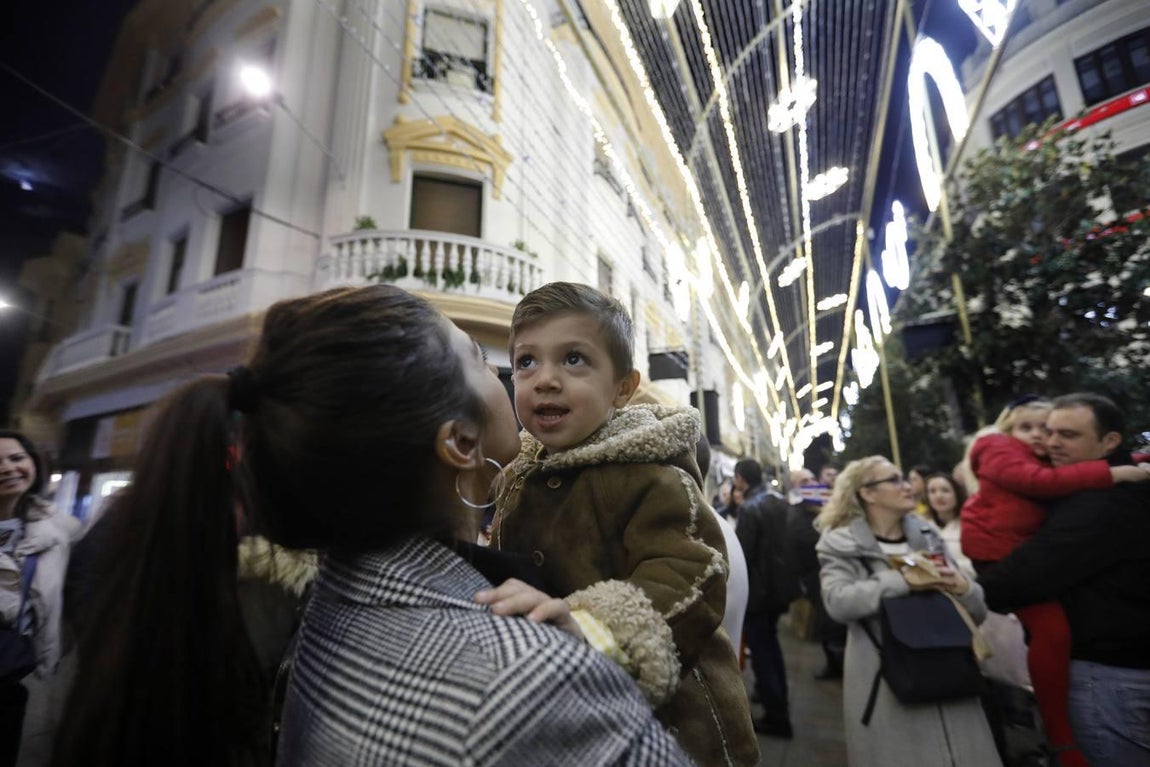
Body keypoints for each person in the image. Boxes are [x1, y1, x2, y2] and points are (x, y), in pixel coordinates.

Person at [53, 285, 692, 767]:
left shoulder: (322, 612)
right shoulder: (531, 679)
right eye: (485, 360)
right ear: (461, 444)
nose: (521, 381)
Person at [491, 282, 758, 766]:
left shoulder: (651, 474)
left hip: (675, 729)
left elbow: (691, 574)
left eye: (573, 359)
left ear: (623, 388)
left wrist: (592, 627)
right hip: (577, 720)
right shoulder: (518, 478)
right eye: (526, 361)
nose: (544, 379)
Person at [960, 394, 1150, 767]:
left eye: (1068, 434)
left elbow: (1032, 571)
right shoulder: (1105, 487)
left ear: (1109, 441)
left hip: (1108, 676)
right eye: (1046, 432)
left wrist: (972, 591)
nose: (1050, 442)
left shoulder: (1103, 501)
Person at [816, 456, 1002, 767]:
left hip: (952, 675)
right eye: (894, 480)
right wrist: (901, 580)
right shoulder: (839, 544)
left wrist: (963, 588)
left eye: (904, 478)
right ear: (867, 493)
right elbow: (838, 602)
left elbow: (977, 613)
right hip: (887, 680)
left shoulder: (929, 536)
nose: (908, 487)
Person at [0, 432, 76, 767]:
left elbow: (74, 590)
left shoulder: (60, 529)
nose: (7, 468)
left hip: (13, 671)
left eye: (16, 458)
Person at [733, 458, 800, 737]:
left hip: (758, 594)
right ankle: (774, 698)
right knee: (770, 647)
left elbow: (742, 556)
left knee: (763, 651)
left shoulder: (750, 509)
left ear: (740, 479)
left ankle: (776, 714)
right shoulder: (777, 501)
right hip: (776, 589)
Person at [784, 477, 844, 680]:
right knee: (828, 626)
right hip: (815, 577)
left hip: (823, 576)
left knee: (832, 626)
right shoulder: (801, 520)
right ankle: (835, 663)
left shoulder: (821, 518)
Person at [923, 472, 973, 576]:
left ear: (957, 494)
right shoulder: (922, 526)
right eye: (932, 491)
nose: (939, 496)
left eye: (945, 490)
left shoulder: (970, 525)